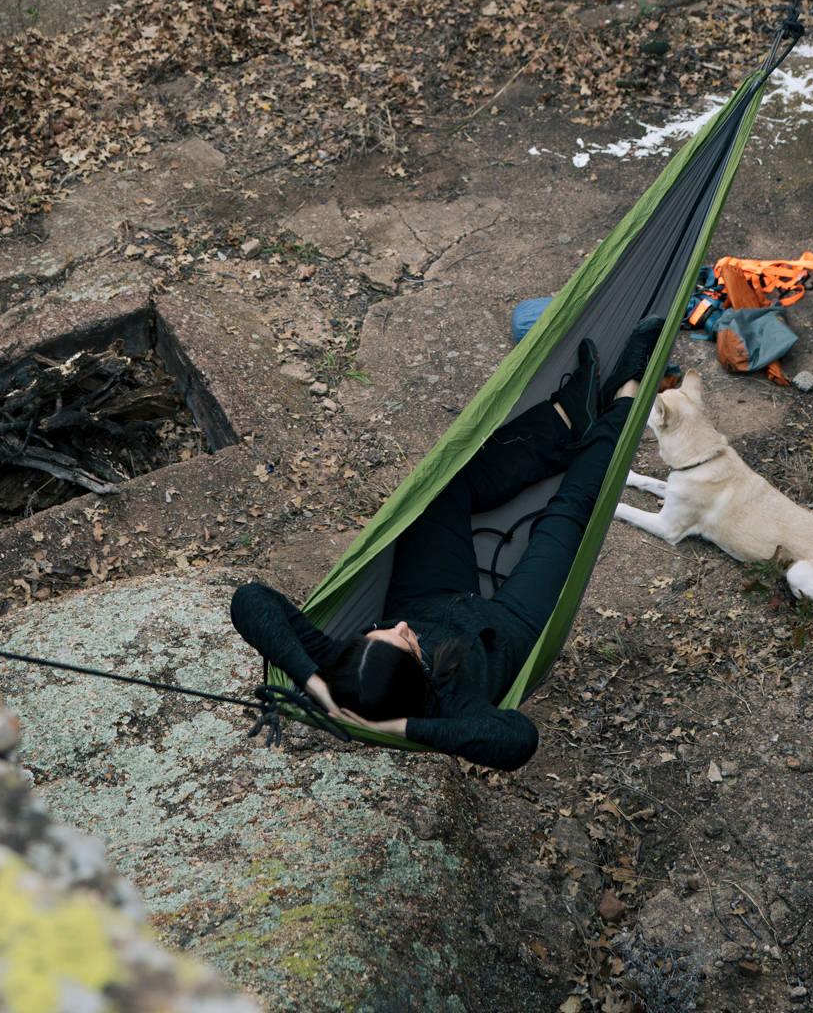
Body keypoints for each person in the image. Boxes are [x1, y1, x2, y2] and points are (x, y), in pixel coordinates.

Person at [230, 315, 665, 769]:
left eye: (376, 634)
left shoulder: (342, 667)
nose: (395, 627)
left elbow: (251, 600)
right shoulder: (454, 711)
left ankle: (568, 421)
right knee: (570, 511)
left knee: (438, 491)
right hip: (505, 630)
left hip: (428, 596)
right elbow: (518, 740)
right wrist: (397, 730)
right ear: (417, 680)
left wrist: (312, 682)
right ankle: (625, 398)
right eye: (403, 642)